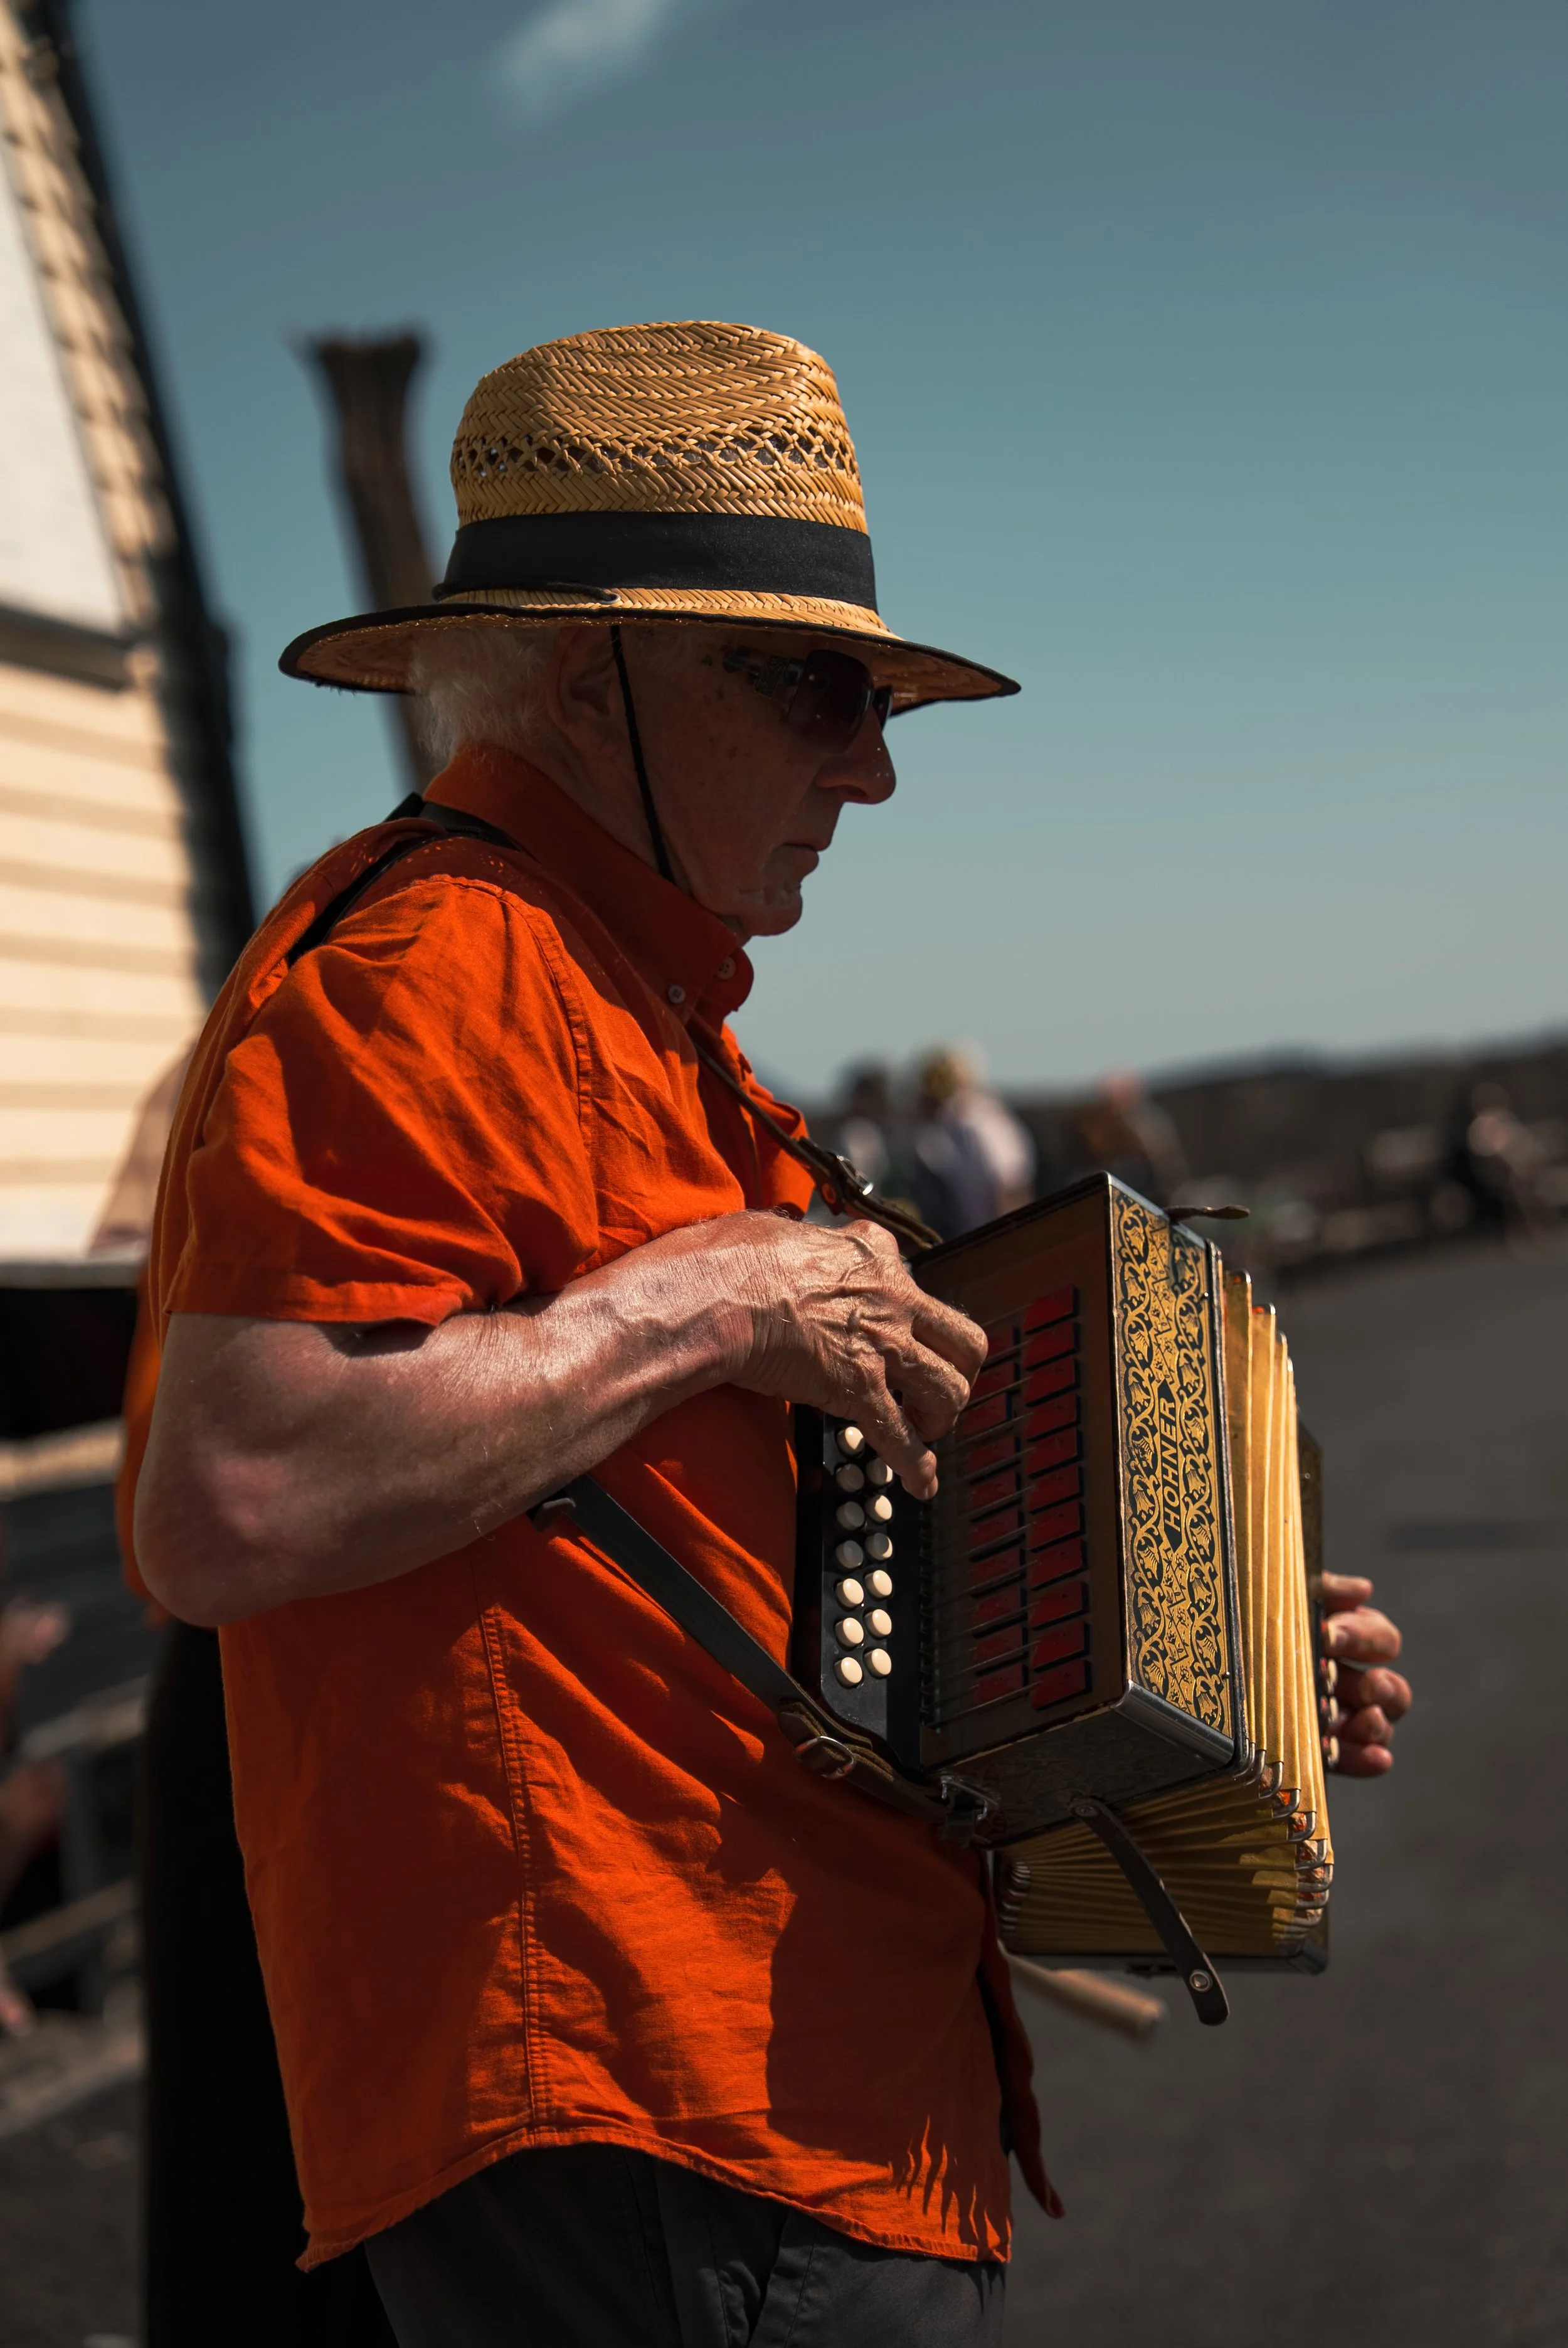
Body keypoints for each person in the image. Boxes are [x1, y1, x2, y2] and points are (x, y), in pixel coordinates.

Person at [125, 321, 1410, 2347]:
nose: (870, 764)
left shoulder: (649, 1027)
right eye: (817, 689)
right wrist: (700, 1293)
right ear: (586, 674)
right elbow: (234, 1489)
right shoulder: (429, 969)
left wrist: (1229, 1662)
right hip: (654, 2099)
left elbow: (795, 1568)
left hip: (785, 2101)